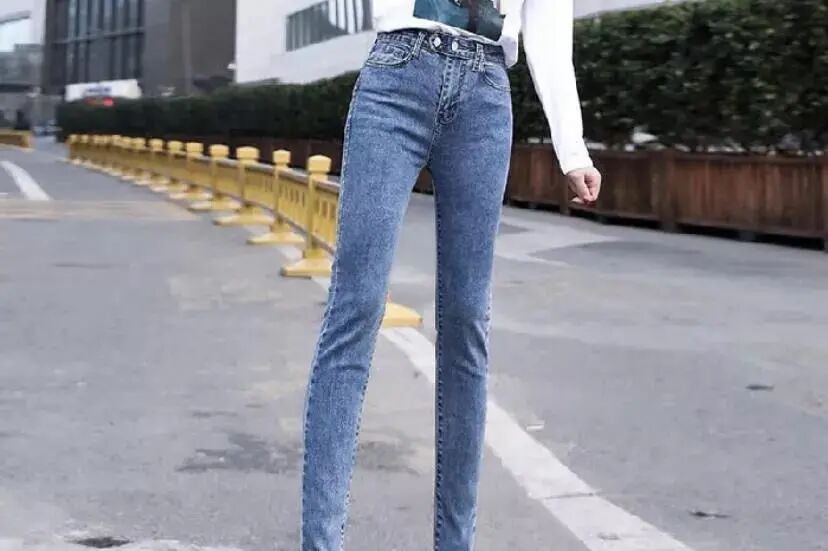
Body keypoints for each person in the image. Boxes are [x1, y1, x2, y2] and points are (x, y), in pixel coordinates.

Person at [301, 1, 602, 550]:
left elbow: (550, 30)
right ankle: (321, 543)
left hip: (485, 95)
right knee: (356, 307)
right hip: (398, 73)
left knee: (467, 321)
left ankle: (455, 543)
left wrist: (572, 149)